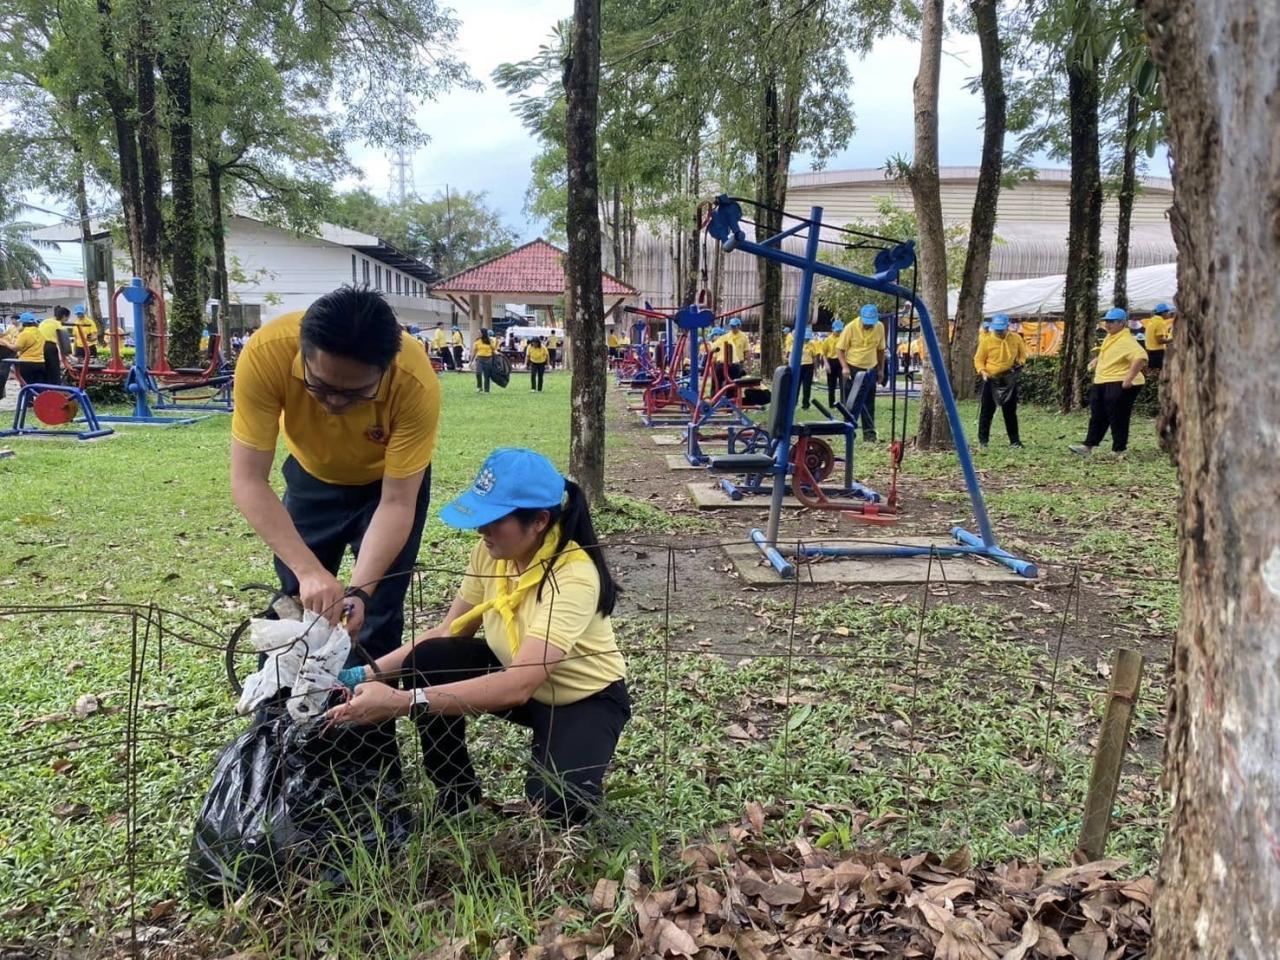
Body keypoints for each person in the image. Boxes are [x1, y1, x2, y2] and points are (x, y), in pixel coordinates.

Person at [325, 448, 630, 825]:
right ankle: (456, 794)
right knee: (431, 657)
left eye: (494, 520)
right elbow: (448, 631)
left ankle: (569, 761)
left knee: (557, 807)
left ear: (539, 521)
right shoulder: (492, 554)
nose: (481, 530)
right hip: (517, 678)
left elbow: (518, 684)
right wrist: (359, 676)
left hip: (582, 698)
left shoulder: (574, 576)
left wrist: (403, 701)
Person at [229, 285, 441, 663]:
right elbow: (248, 479)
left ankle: (363, 718)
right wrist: (309, 570)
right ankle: (279, 715)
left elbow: (397, 501)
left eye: (356, 393)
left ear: (385, 369)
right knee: (298, 601)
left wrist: (359, 593)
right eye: (321, 388)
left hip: (386, 488)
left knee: (376, 611)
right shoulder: (266, 354)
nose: (336, 403)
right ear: (303, 353)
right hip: (312, 477)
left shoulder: (414, 381)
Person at [1070, 307, 1148, 459]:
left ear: (1122, 323)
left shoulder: (1126, 340)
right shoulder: (1111, 337)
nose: (1108, 324)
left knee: (1118, 415)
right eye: (1106, 321)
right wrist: (1097, 360)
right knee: (1097, 414)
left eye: (1111, 322)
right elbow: (1109, 353)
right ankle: (1088, 446)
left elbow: (1141, 358)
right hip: (1103, 380)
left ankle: (1119, 449)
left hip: (1119, 381)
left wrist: (1128, 379)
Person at [973, 313, 1027, 449]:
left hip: (1009, 379)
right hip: (991, 379)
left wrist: (1019, 363)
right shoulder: (986, 341)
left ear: (1007, 327)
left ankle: (1015, 441)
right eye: (996, 329)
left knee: (1010, 411)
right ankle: (983, 441)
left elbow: (1022, 355)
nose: (999, 332)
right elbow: (978, 360)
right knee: (987, 411)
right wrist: (983, 372)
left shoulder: (1016, 339)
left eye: (1001, 329)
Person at [837, 304, 887, 442]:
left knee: (869, 402)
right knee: (851, 402)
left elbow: (881, 350)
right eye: (866, 323)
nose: (868, 326)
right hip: (853, 368)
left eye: (871, 323)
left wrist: (881, 370)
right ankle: (848, 432)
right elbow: (839, 349)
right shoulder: (850, 327)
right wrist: (845, 367)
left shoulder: (880, 327)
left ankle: (869, 434)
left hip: (871, 368)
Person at [14, 313, 46, 385]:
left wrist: (6, 343)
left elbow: (16, 348)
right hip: (41, 363)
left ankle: (28, 397)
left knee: (27, 388)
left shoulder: (25, 333)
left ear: (23, 323)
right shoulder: (40, 332)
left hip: (27, 363)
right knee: (38, 388)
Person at [1144, 303, 1173, 373]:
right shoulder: (1160, 322)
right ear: (1163, 313)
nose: (1168, 314)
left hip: (1150, 351)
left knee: (1152, 374)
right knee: (1159, 373)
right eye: (1167, 312)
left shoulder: (1151, 321)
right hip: (1158, 353)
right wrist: (1173, 339)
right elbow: (1160, 340)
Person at [822, 320, 845, 408]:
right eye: (837, 330)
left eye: (840, 330)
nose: (839, 332)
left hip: (841, 362)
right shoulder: (828, 340)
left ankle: (843, 403)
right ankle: (831, 404)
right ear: (832, 329)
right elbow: (824, 353)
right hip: (831, 362)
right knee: (831, 385)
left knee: (843, 384)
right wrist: (826, 364)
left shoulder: (843, 338)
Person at [39, 308, 64, 385]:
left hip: (41, 347)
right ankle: (56, 389)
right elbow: (62, 342)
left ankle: (46, 389)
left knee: (47, 370)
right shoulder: (58, 324)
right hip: (50, 347)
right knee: (54, 371)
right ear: (64, 316)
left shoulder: (44, 322)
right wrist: (67, 357)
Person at [471, 329, 497, 393]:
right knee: (478, 373)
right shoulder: (477, 341)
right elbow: (474, 352)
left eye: (479, 332)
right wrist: (471, 361)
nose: (478, 334)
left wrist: (498, 354)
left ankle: (487, 390)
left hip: (488, 359)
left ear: (483, 333)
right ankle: (479, 387)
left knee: (487, 375)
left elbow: (493, 350)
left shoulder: (489, 341)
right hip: (479, 359)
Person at [797, 329, 817, 410]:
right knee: (796, 386)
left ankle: (805, 405)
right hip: (799, 367)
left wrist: (815, 370)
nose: (807, 339)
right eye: (806, 338)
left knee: (807, 387)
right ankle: (794, 403)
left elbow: (814, 358)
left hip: (809, 366)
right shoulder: (797, 344)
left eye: (808, 338)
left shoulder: (812, 345)